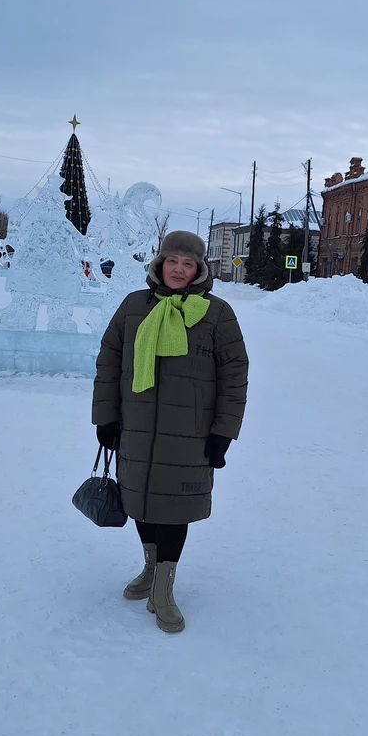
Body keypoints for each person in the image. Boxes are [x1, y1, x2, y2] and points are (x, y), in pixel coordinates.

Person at [92, 231, 248, 633]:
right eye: (172, 261)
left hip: (190, 434)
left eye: (188, 263)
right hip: (137, 427)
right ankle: (149, 568)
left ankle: (164, 587)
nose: (178, 269)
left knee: (174, 506)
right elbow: (109, 362)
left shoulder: (216, 314)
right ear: (159, 263)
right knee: (141, 500)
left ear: (200, 270)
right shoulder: (133, 307)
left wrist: (222, 434)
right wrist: (105, 418)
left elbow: (234, 377)